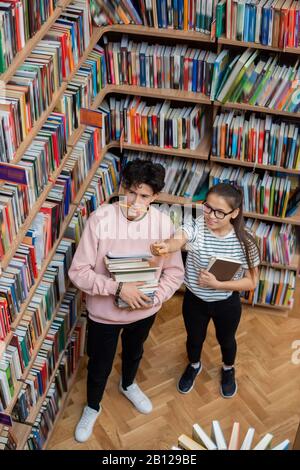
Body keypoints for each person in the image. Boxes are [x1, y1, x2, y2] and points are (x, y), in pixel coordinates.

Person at [68, 159, 184, 442]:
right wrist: (118, 289)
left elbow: (174, 272)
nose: (135, 201)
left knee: (135, 352)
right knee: (99, 364)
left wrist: (154, 298)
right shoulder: (101, 219)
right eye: (130, 191)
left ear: (155, 197)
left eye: (144, 196)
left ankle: (128, 384)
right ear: (122, 188)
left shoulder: (163, 223)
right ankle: (92, 406)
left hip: (145, 312)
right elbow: (78, 272)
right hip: (103, 315)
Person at [151, 183, 260, 399]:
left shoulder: (245, 243)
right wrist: (167, 245)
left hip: (226, 303)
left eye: (219, 212)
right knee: (194, 339)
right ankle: (194, 365)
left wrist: (219, 285)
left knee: (227, 340)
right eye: (207, 208)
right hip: (195, 301)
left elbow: (251, 282)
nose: (211, 216)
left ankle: (228, 369)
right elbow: (180, 237)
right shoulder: (197, 226)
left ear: (234, 213)